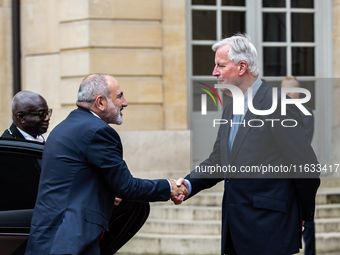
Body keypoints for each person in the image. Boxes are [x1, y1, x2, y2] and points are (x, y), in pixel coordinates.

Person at [172, 34, 320, 255]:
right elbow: (219, 161)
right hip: (235, 231)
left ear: (242, 67)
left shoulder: (278, 104)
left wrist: (302, 216)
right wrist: (188, 185)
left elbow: (307, 168)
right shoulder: (231, 109)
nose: (214, 72)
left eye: (220, 65)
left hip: (269, 232)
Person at [24, 73, 188, 255]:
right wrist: (169, 187)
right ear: (100, 102)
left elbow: (77, 181)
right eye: (119, 96)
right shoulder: (98, 132)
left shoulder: (64, 127)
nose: (125, 102)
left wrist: (108, 193)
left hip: (48, 239)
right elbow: (127, 186)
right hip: (70, 242)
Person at [282, 76, 316, 255]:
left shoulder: (306, 113)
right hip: (282, 177)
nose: (287, 93)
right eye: (284, 89)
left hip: (301, 173)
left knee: (307, 220)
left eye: (291, 89)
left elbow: (303, 141)